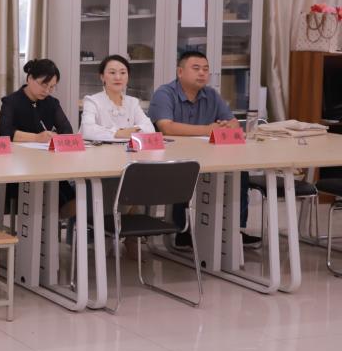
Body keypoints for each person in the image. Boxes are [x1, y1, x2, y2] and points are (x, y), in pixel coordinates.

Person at [149, 51, 259, 248]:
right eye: (196, 68)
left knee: (239, 171)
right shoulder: (164, 93)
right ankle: (182, 231)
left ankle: (235, 229)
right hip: (172, 160)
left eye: (205, 69)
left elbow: (233, 123)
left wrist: (226, 127)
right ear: (180, 72)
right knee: (187, 170)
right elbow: (167, 127)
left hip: (208, 158)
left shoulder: (211, 95)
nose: (202, 73)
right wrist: (209, 130)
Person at [0, 59, 76, 210]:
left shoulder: (51, 103)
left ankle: (56, 222)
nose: (47, 91)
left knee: (72, 199)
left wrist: (55, 137)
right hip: (19, 168)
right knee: (53, 201)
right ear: (29, 78)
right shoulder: (11, 102)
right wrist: (36, 138)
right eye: (43, 85)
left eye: (51, 87)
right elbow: (4, 132)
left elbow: (67, 131)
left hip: (48, 167)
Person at [80, 54, 156, 141]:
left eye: (123, 73)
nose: (118, 77)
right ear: (102, 77)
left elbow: (150, 128)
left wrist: (124, 133)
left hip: (128, 149)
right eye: (112, 73)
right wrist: (119, 133)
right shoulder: (92, 101)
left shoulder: (133, 102)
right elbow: (87, 130)